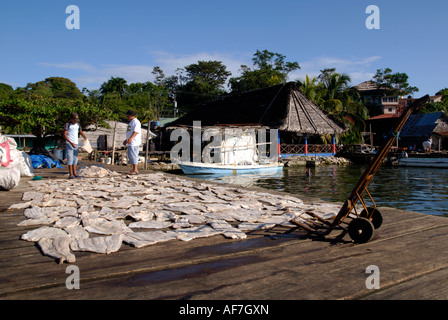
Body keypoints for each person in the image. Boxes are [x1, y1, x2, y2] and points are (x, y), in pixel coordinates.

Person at [63, 113, 87, 179]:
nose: (75, 121)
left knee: (75, 158)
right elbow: (65, 135)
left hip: (76, 143)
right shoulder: (68, 124)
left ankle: (75, 173)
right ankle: (71, 174)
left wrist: (85, 137)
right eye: (74, 120)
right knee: (70, 158)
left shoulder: (77, 125)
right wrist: (71, 143)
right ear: (71, 119)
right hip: (69, 143)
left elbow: (80, 131)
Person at [123, 110, 142, 175]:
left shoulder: (136, 122)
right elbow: (130, 132)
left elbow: (136, 131)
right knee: (131, 155)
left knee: (134, 155)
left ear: (131, 115)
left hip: (134, 142)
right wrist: (127, 139)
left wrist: (131, 138)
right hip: (131, 142)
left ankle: (135, 169)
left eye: (128, 115)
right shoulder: (131, 122)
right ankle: (134, 169)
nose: (127, 117)